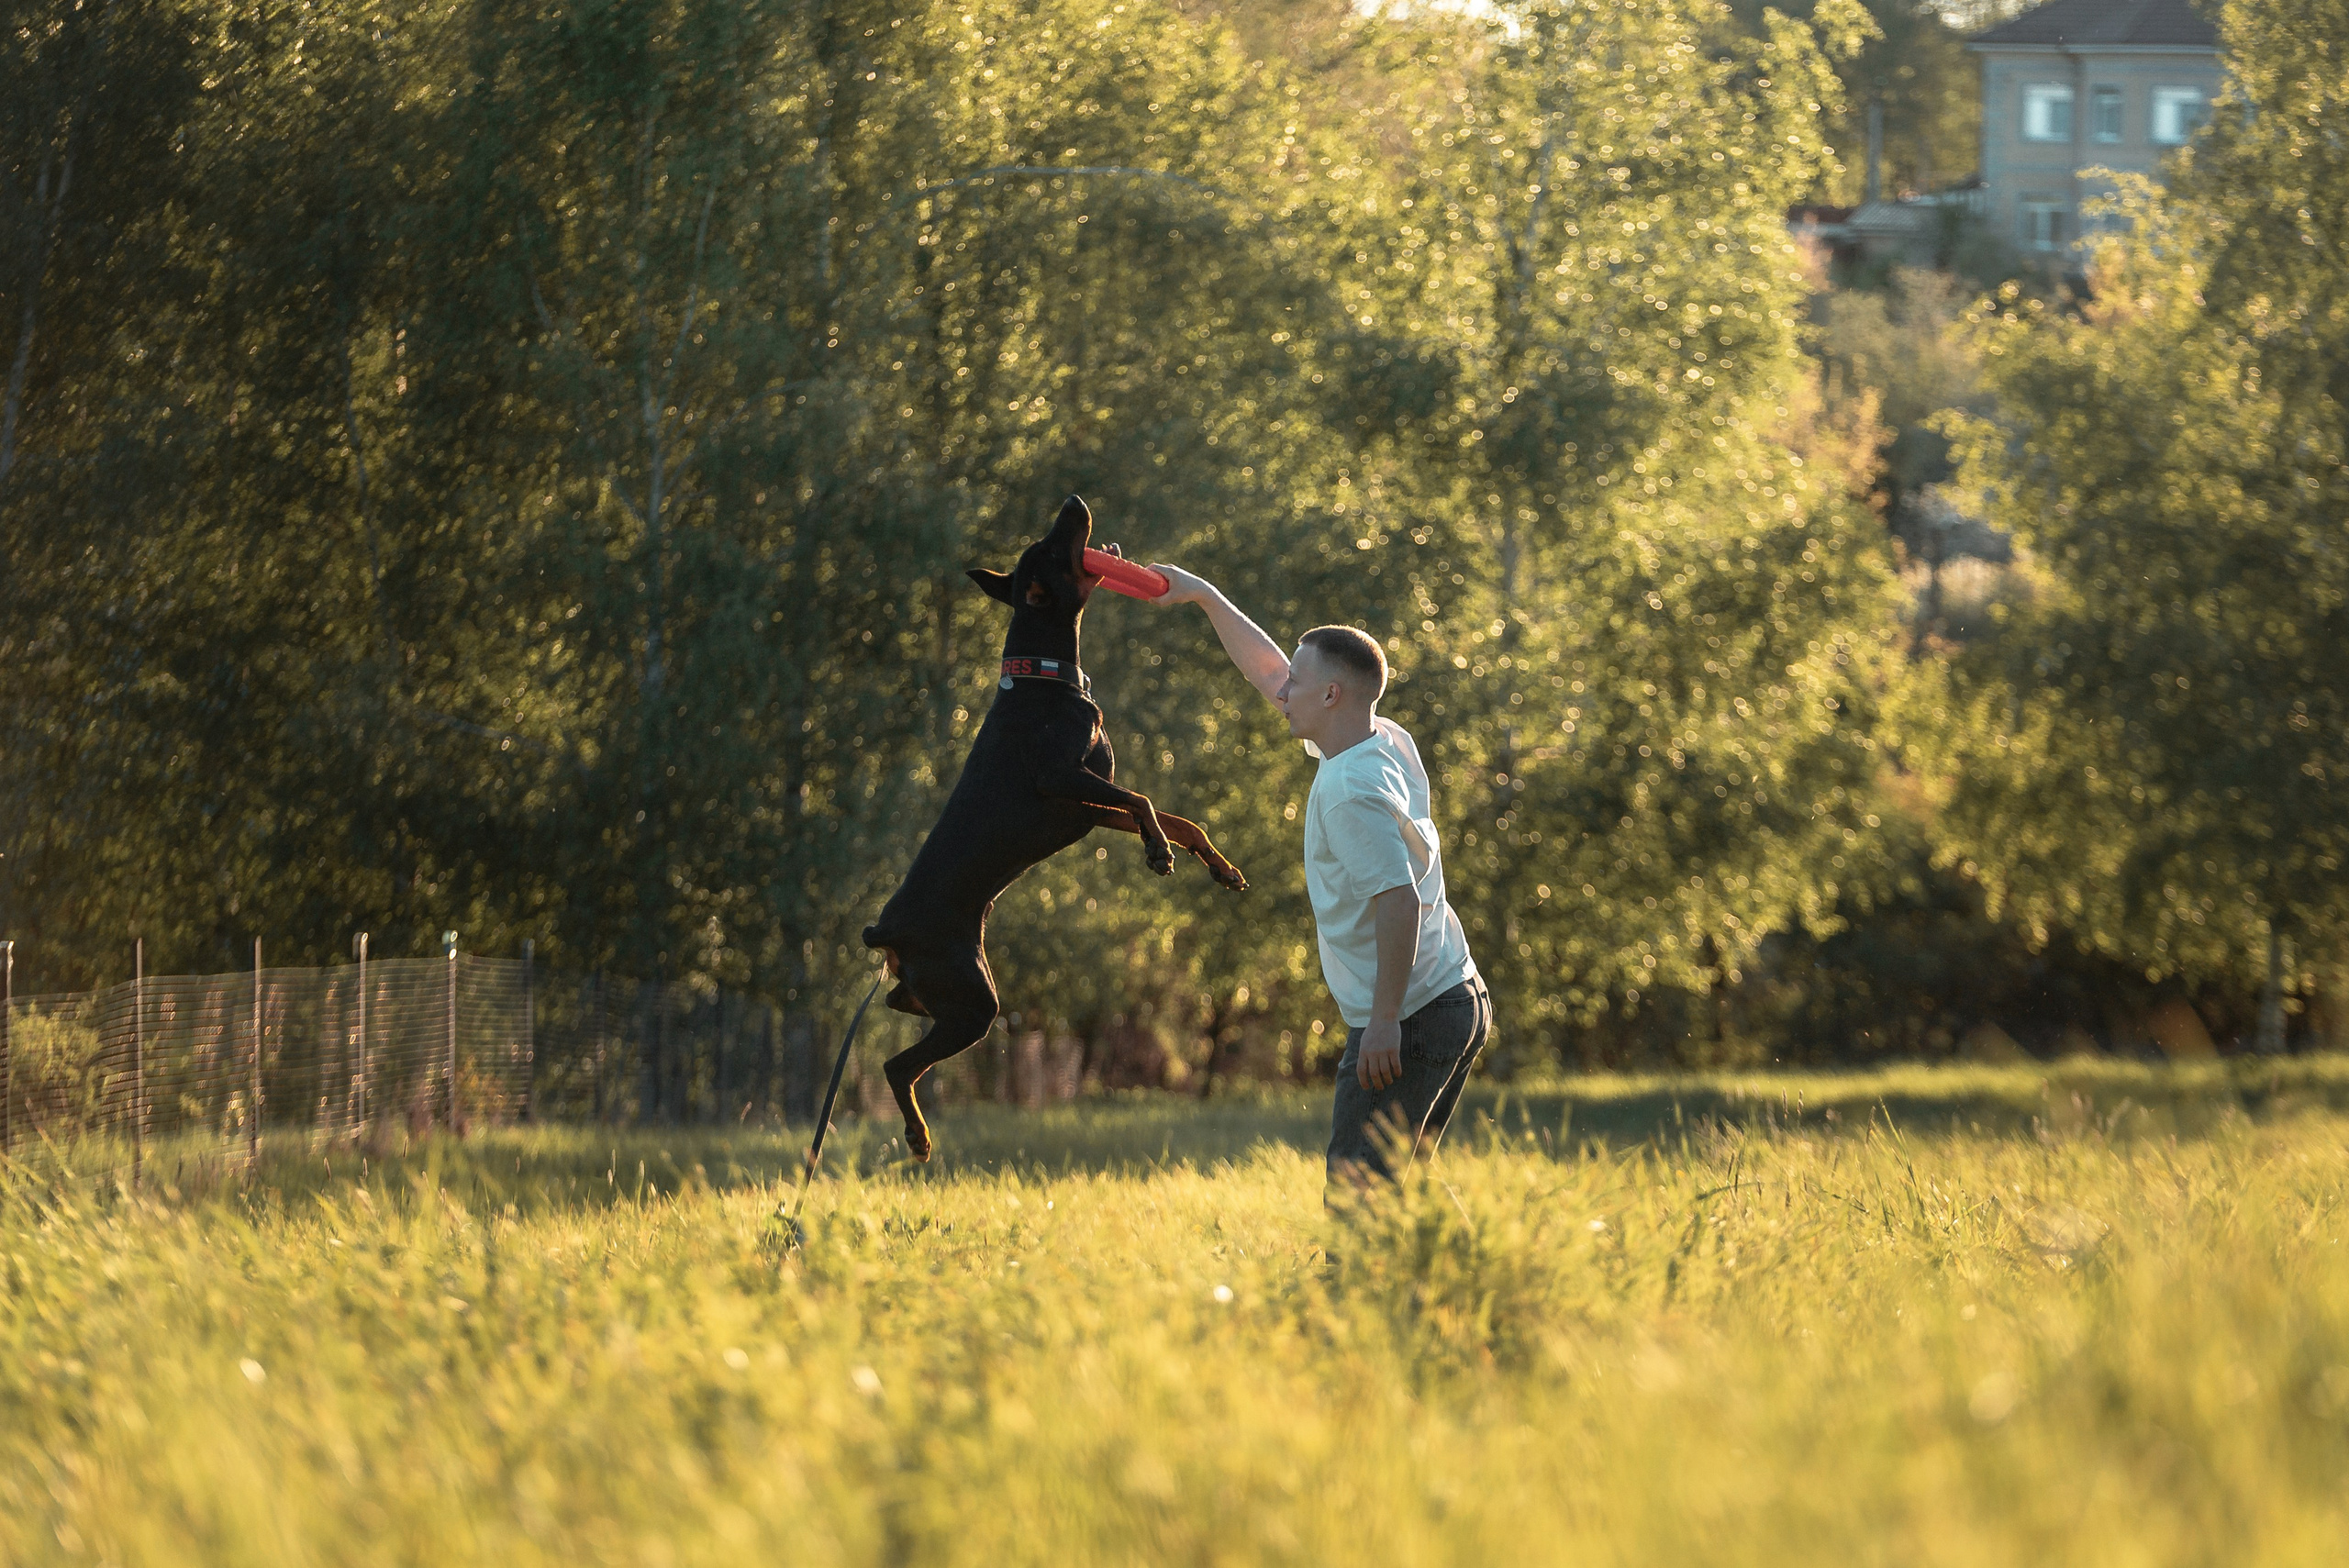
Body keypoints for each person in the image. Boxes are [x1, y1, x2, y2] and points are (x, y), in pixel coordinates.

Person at [1147, 563, 1488, 1195]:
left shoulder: (1346, 789)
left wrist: (1383, 1021)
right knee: (1403, 1188)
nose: (1281, 692)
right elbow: (1273, 670)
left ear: (1331, 696)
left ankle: (1352, 1294)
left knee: (1359, 1190)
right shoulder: (1377, 738)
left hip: (1411, 1012)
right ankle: (1476, 1288)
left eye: (1297, 685)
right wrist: (1202, 594)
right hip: (1454, 994)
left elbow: (1398, 900)